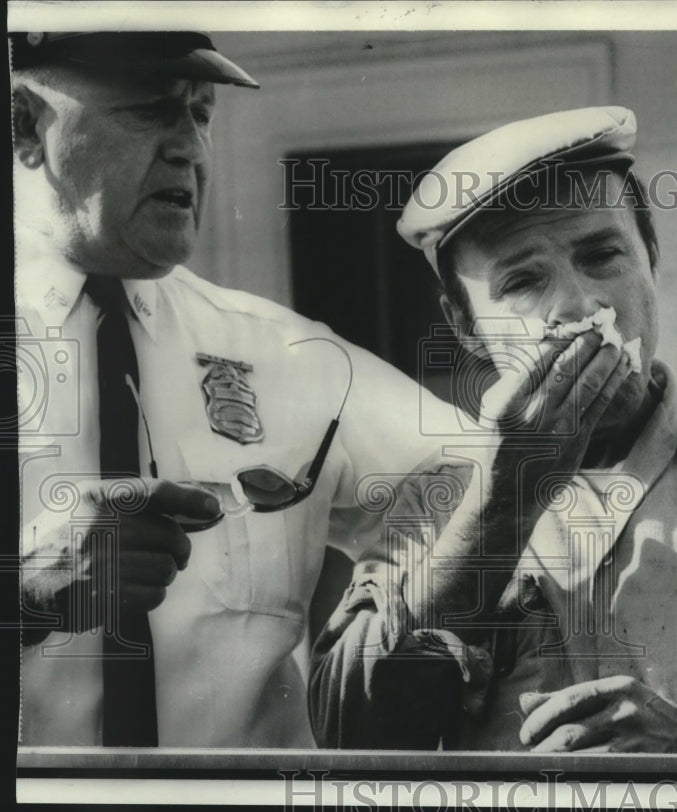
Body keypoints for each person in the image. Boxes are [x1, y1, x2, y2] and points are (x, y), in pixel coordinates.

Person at [309, 106, 677, 754]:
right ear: (465, 326)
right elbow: (350, 738)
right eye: (524, 281)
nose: (581, 305)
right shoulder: (424, 505)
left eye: (601, 255)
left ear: (652, 257)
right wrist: (505, 503)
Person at [12, 31, 450, 747]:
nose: (190, 147)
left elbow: (485, 486)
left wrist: (384, 643)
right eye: (151, 110)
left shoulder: (286, 356)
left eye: (201, 113)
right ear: (26, 125)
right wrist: (24, 593)